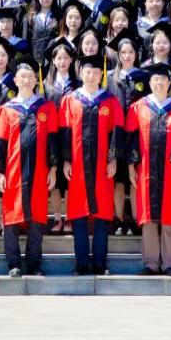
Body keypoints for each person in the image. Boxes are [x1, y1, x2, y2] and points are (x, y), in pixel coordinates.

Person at [0, 57, 60, 276]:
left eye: (30, 77)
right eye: (22, 76)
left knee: (37, 217)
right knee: (11, 217)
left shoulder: (46, 108)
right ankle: (13, 264)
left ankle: (34, 264)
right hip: (13, 172)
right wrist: (0, 174)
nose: (26, 80)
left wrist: (53, 169)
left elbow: (53, 141)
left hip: (39, 171)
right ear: (15, 80)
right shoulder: (6, 110)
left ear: (36, 80)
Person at [126, 63, 171, 276]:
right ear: (149, 82)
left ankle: (169, 264)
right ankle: (151, 263)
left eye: (163, 79)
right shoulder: (139, 107)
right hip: (146, 170)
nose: (159, 83)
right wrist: (131, 166)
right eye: (155, 79)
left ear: (169, 82)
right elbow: (131, 138)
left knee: (170, 217)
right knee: (148, 218)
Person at [61, 57, 125, 275]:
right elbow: (65, 131)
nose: (91, 76)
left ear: (101, 75)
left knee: (102, 215)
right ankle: (81, 263)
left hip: (102, 166)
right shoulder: (70, 100)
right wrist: (66, 160)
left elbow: (116, 131)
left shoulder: (110, 100)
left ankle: (99, 263)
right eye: (87, 72)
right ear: (81, 74)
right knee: (78, 215)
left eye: (96, 72)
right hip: (77, 166)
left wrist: (113, 159)